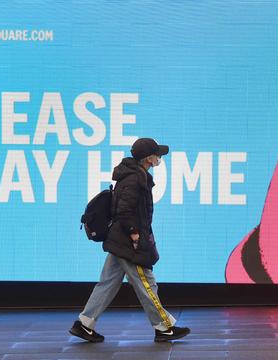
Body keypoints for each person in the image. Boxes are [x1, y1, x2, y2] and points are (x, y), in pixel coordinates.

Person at [69, 137, 191, 343]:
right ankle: (164, 327)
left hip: (119, 239)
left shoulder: (133, 174)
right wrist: (135, 234)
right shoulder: (135, 178)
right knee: (146, 282)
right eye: (157, 155)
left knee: (107, 283)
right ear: (148, 159)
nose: (160, 158)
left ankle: (84, 324)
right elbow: (125, 210)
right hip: (128, 241)